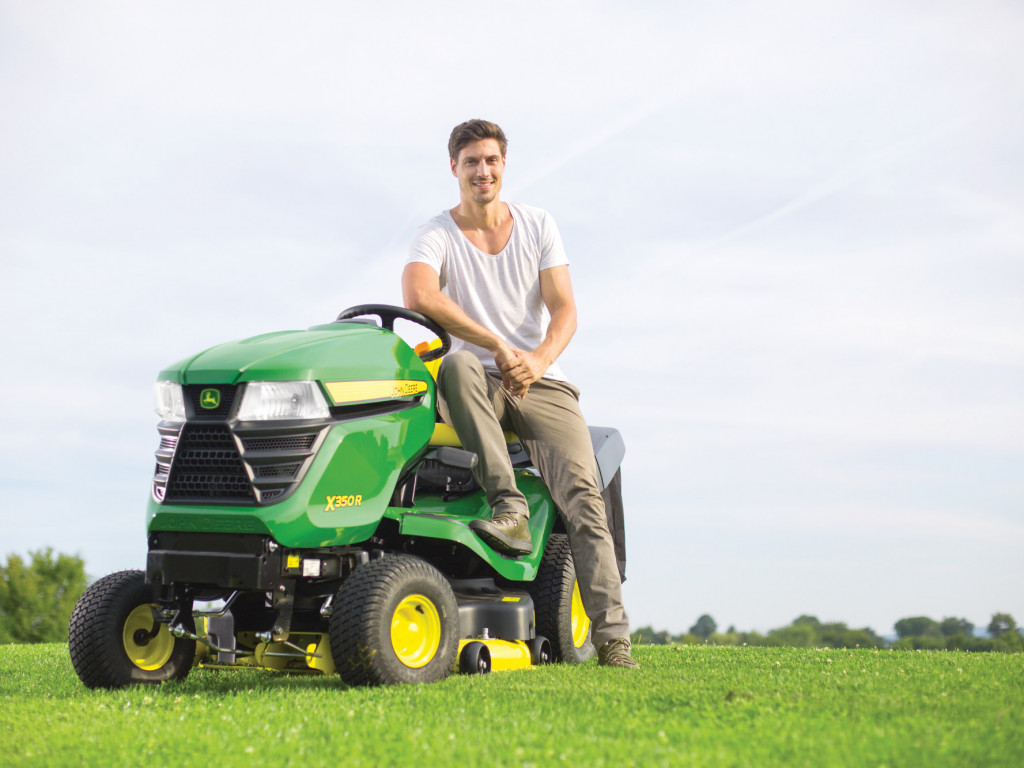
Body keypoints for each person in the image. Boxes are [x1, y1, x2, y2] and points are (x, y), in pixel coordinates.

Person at [402, 119, 638, 668]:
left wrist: (535, 360)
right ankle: (509, 508)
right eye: (470, 162)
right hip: (475, 384)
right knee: (458, 364)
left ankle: (613, 639)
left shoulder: (537, 225)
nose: (481, 171)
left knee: (585, 499)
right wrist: (495, 345)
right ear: (454, 168)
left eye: (490, 160)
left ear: (503, 165)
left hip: (539, 383)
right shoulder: (436, 233)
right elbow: (417, 293)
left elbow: (565, 309)